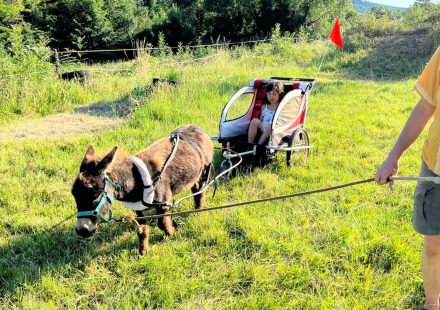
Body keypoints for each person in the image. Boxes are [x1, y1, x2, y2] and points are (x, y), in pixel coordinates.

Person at [375, 46, 440, 310]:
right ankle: (432, 304)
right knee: (434, 244)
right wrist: (393, 156)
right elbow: (426, 107)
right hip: (436, 167)